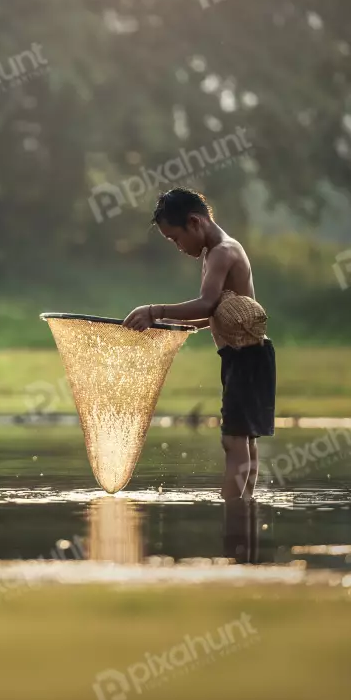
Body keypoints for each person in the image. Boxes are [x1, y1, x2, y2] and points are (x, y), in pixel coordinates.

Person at [123, 188, 275, 499]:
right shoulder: (215, 252)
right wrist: (166, 325)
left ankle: (233, 512)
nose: (177, 247)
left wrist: (155, 311)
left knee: (234, 441)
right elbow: (212, 315)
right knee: (244, 439)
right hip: (246, 357)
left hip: (246, 357)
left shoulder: (223, 251)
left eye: (175, 238)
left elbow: (206, 305)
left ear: (194, 222)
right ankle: (244, 511)